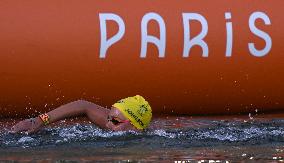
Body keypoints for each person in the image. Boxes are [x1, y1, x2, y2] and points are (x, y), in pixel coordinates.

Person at [11, 95, 152, 134]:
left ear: (135, 127)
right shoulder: (116, 124)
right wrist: (39, 120)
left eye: (114, 121)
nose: (108, 123)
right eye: (108, 116)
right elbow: (83, 105)